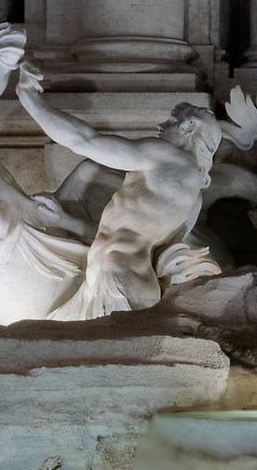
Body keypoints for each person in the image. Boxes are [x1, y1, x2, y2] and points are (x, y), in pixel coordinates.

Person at [16, 63, 223, 319]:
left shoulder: (169, 156)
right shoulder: (194, 199)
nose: (162, 125)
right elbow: (123, 234)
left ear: (189, 128)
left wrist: (30, 100)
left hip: (121, 282)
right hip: (115, 281)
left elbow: (85, 141)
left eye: (172, 121)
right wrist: (63, 221)